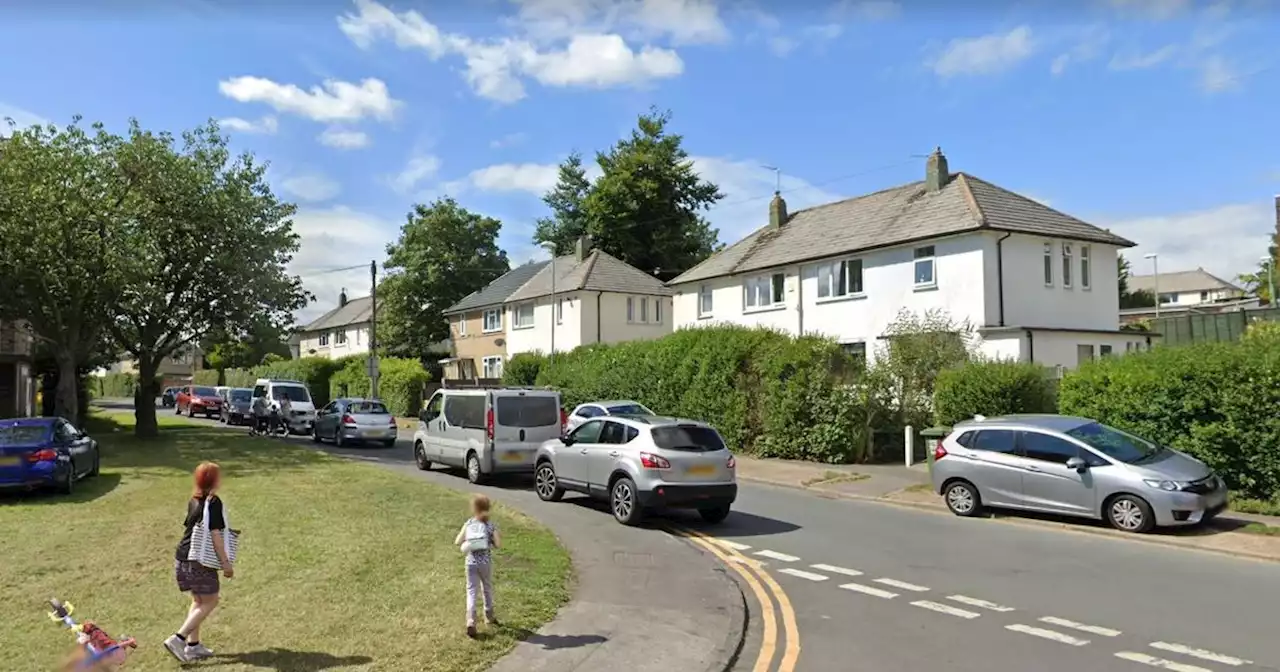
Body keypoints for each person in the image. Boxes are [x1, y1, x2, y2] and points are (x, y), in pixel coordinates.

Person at [165, 462, 234, 662]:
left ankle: (193, 646)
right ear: (215, 480)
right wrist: (226, 563)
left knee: (198, 601)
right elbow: (216, 536)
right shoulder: (213, 503)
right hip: (198, 562)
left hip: (183, 557)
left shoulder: (194, 500)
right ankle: (178, 638)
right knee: (211, 601)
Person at [454, 494, 500, 638]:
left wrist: (468, 543)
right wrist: (490, 542)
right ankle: (488, 616)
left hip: (471, 562)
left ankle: (471, 620)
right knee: (486, 588)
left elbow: (457, 541)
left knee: (471, 590)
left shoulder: (469, 523)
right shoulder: (490, 525)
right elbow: (498, 544)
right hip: (485, 562)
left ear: (474, 508)